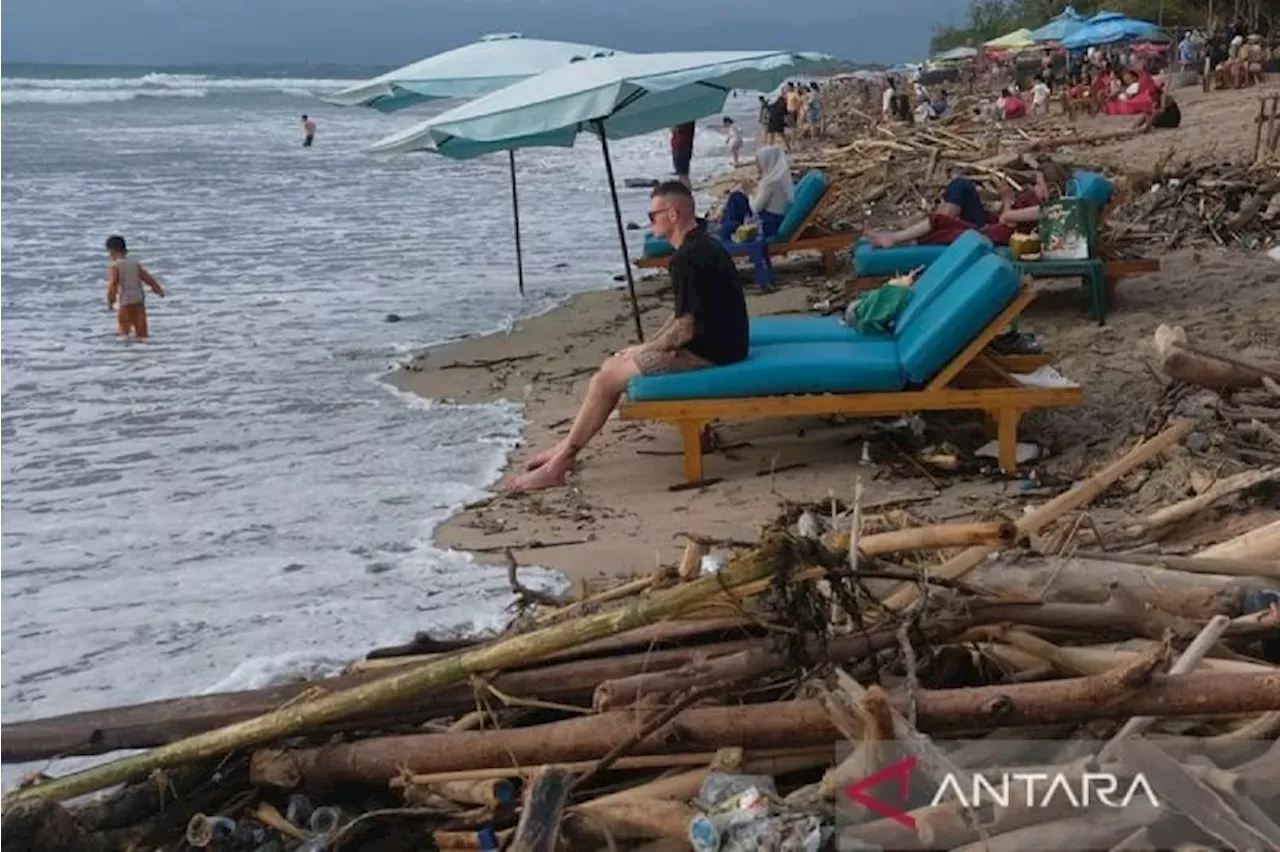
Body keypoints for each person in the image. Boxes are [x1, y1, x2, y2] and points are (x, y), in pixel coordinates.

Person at [507, 181, 747, 492]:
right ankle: (565, 445)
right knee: (611, 365)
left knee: (604, 381)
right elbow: (682, 318)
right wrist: (644, 347)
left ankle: (560, 463)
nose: (650, 222)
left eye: (653, 215)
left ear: (673, 214)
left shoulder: (687, 258)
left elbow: (684, 329)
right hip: (716, 344)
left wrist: (645, 352)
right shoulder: (699, 244)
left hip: (708, 355)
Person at [864, 162, 1068, 249]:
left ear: (1050, 188)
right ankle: (935, 225)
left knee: (939, 221)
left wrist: (1006, 199)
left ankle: (895, 238)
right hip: (993, 224)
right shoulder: (1044, 207)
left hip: (993, 233)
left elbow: (1007, 219)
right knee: (962, 185)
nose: (1034, 188)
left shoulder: (1044, 210)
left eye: (1038, 184)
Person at [715, 145, 794, 242]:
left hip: (768, 223)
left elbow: (755, 208)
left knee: (735, 199)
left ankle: (725, 230)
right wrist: (752, 190)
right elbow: (764, 201)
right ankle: (726, 226)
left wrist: (749, 192)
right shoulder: (777, 179)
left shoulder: (771, 183)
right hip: (772, 217)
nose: (757, 165)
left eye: (759, 162)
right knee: (737, 198)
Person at [105, 235, 165, 339]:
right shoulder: (135, 264)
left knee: (124, 332)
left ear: (112, 251)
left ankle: (128, 352)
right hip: (138, 301)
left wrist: (111, 300)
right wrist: (158, 290)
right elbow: (148, 278)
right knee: (142, 332)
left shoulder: (115, 266)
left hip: (125, 303)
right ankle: (143, 349)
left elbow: (113, 284)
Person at [670, 122, 695, 188]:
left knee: (683, 176)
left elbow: (674, 129)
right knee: (683, 175)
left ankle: (687, 194)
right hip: (682, 148)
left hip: (681, 148)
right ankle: (686, 193)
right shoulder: (687, 118)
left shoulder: (683, 121)